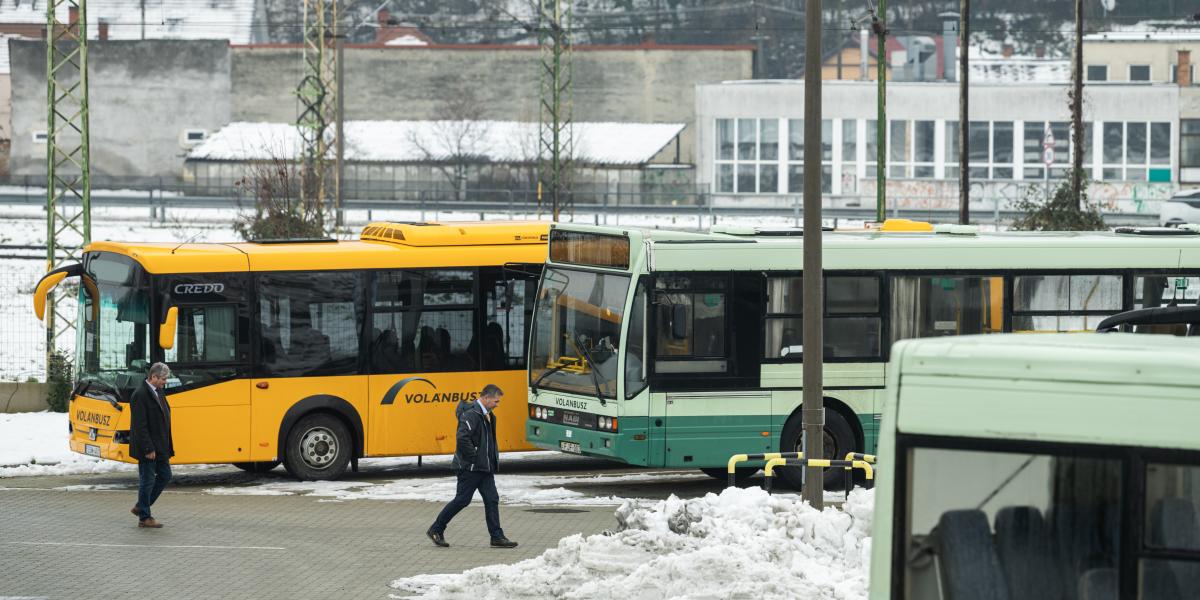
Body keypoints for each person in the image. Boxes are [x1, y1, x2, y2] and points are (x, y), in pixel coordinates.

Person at [426, 384, 518, 548]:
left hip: (485, 468)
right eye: (496, 401)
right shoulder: (471, 414)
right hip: (470, 468)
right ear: (486, 398)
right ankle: (436, 529)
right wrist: (474, 458)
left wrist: (489, 460)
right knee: (462, 500)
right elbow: (462, 438)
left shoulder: (489, 415)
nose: (498, 404)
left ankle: (496, 537)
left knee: (492, 499)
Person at [130, 362, 174, 528]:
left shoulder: (158, 391)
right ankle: (144, 517)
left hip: (161, 446)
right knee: (147, 481)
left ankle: (141, 506)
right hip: (149, 448)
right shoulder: (140, 395)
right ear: (153, 377)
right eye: (163, 379)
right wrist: (148, 449)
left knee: (165, 476)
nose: (165, 382)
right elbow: (139, 426)